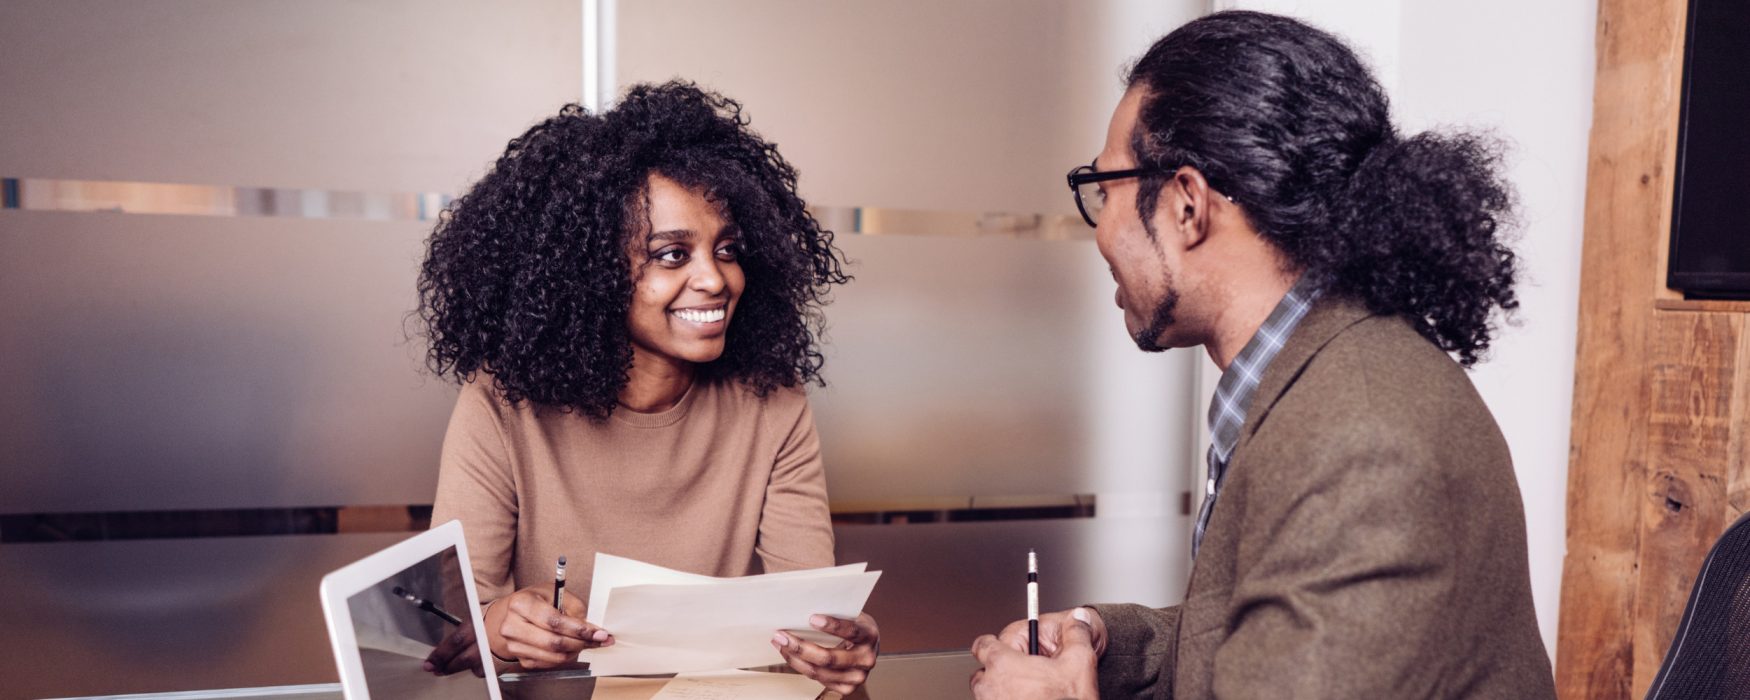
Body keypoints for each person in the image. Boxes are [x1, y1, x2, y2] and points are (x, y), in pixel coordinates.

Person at [969, 11, 1555, 699]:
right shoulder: (1318, 374)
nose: (1101, 233)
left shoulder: (1360, 442)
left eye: (1107, 192)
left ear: (1187, 205)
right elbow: (1268, 629)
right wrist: (1100, 639)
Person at [414, 81, 878, 694]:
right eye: (671, 255)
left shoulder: (774, 402)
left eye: (728, 249)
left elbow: (811, 614)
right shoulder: (502, 403)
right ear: (589, 272)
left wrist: (837, 644)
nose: (715, 279)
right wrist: (500, 626)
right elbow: (446, 627)